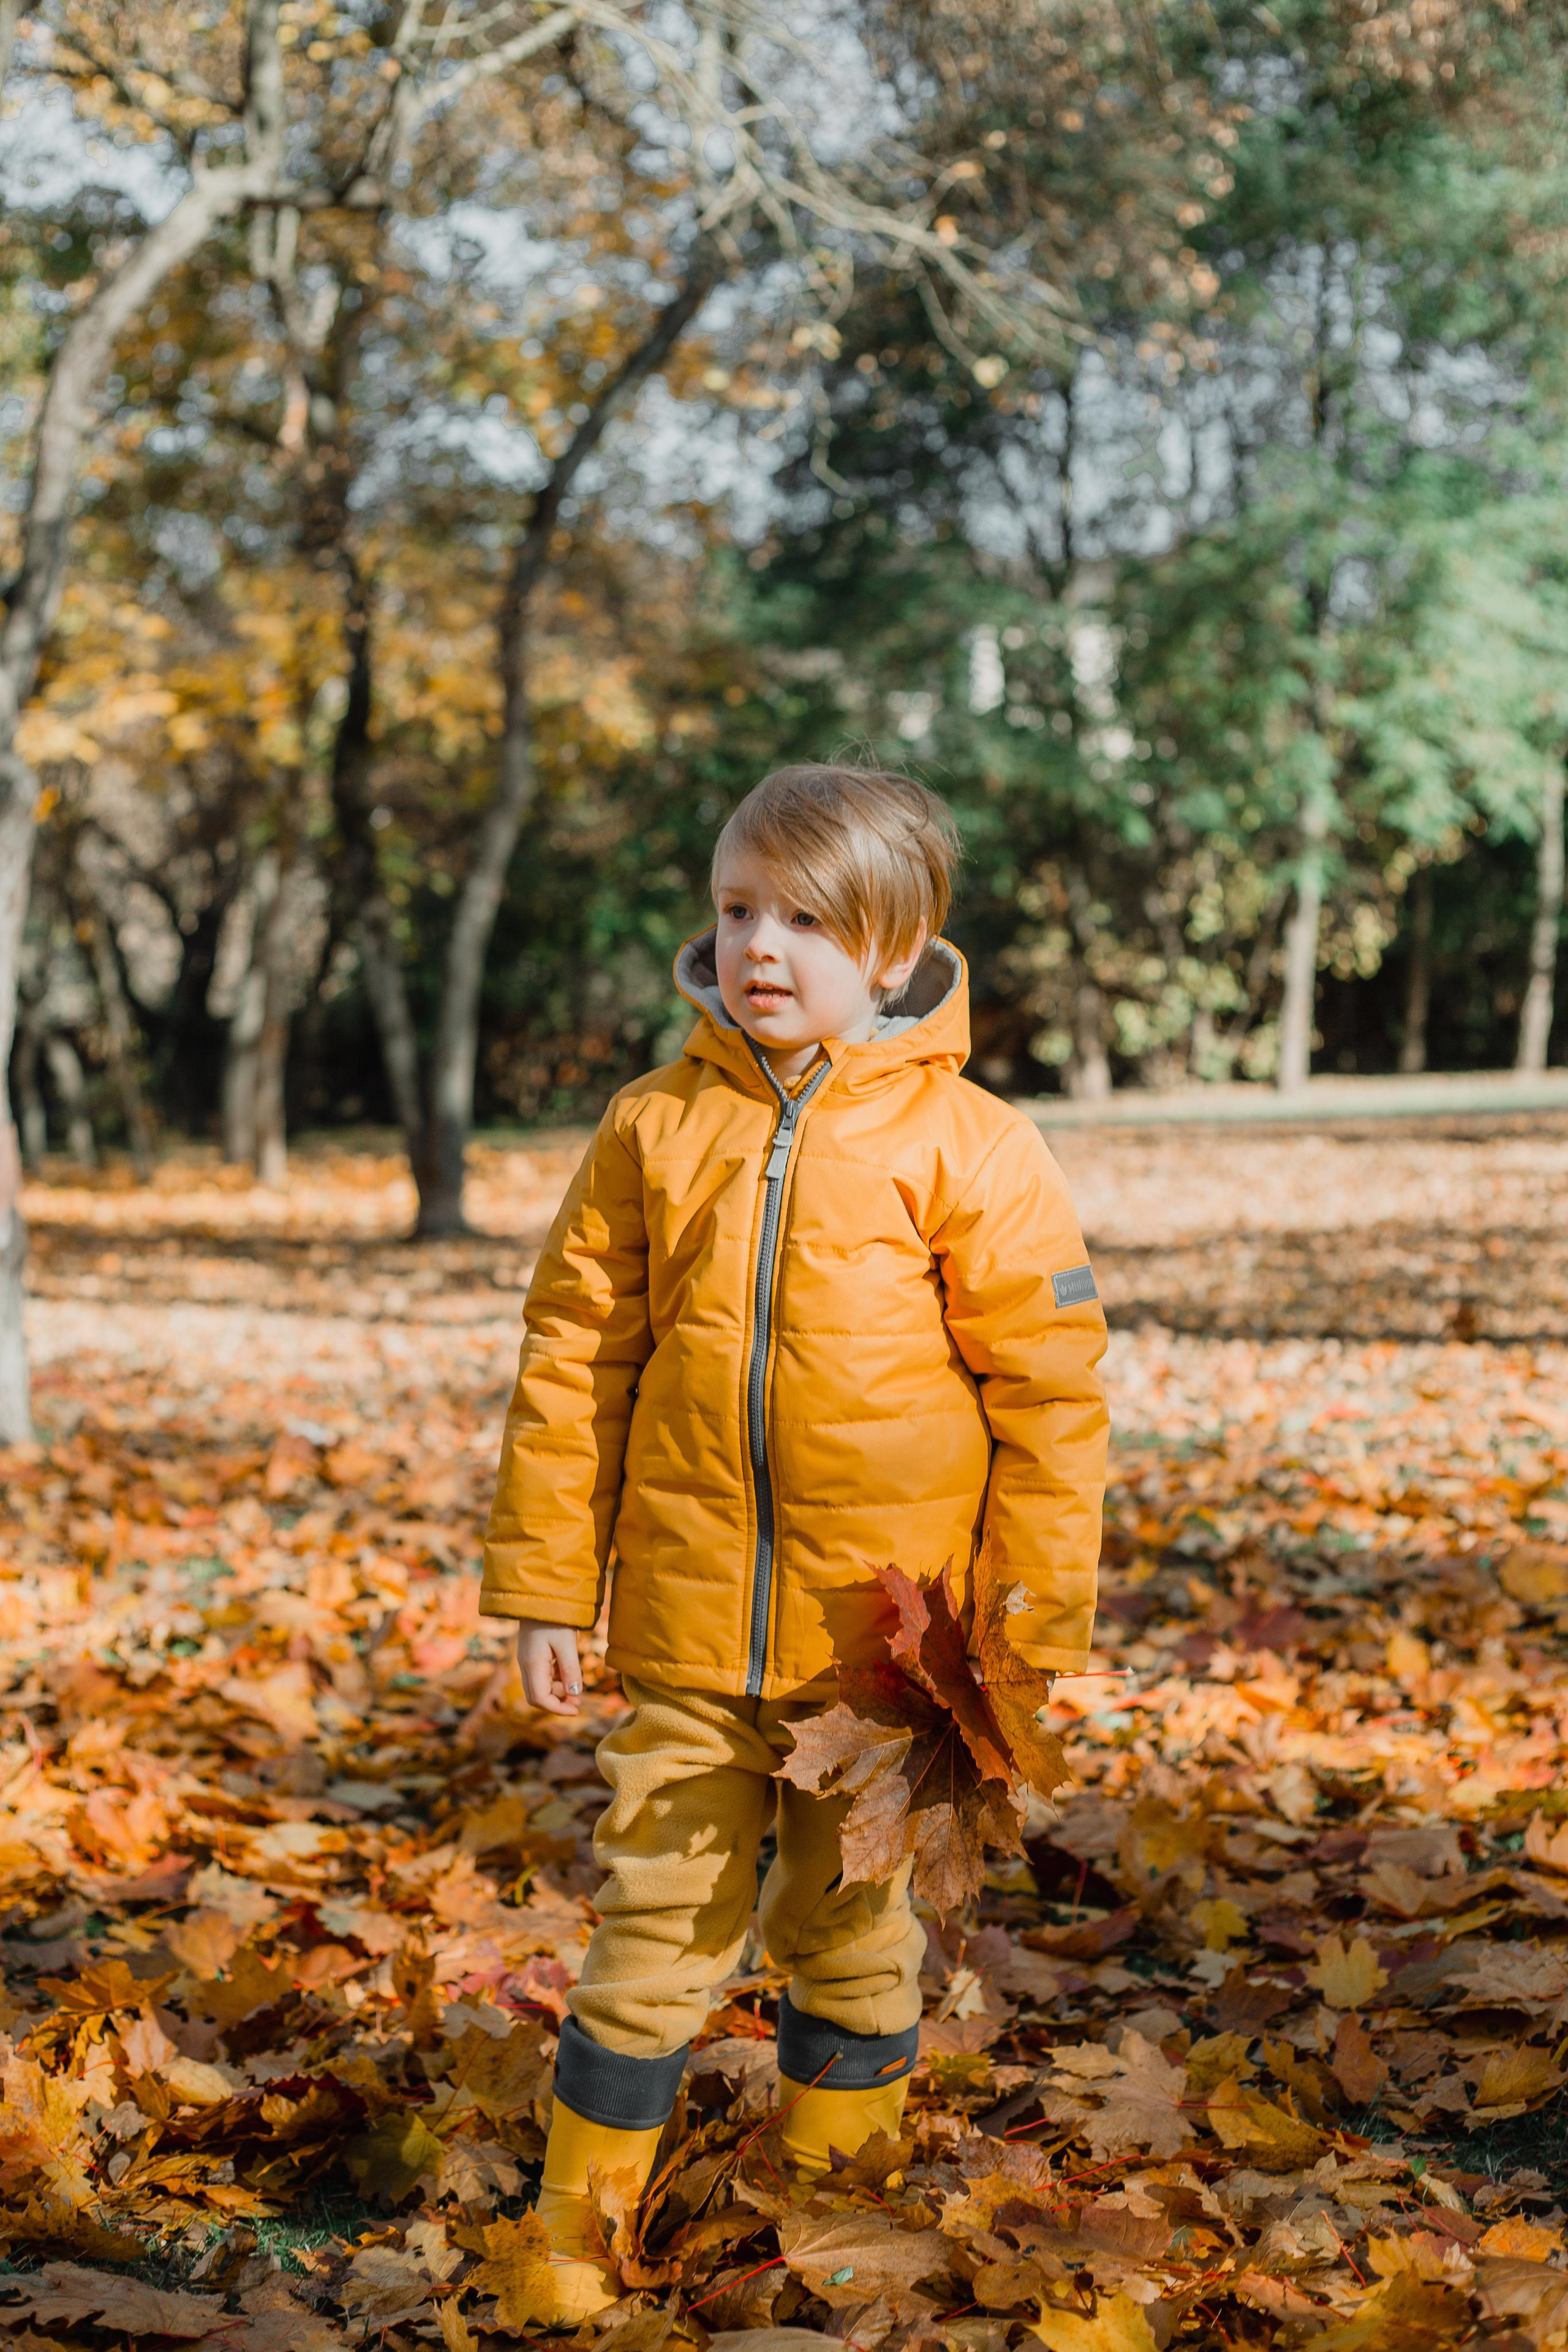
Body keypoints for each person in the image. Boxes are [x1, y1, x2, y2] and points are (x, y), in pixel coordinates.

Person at [479, 761, 1107, 2323]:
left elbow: (1050, 1399)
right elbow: (574, 1360)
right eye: (737, 908)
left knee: (847, 1936)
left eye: (807, 920)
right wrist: (550, 1585)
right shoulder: (654, 1126)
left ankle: (840, 2213)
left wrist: (1021, 1628)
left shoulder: (971, 1145)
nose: (760, 945)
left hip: (876, 1656)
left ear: (895, 950)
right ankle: (577, 2234)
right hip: (686, 1638)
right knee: (649, 1933)